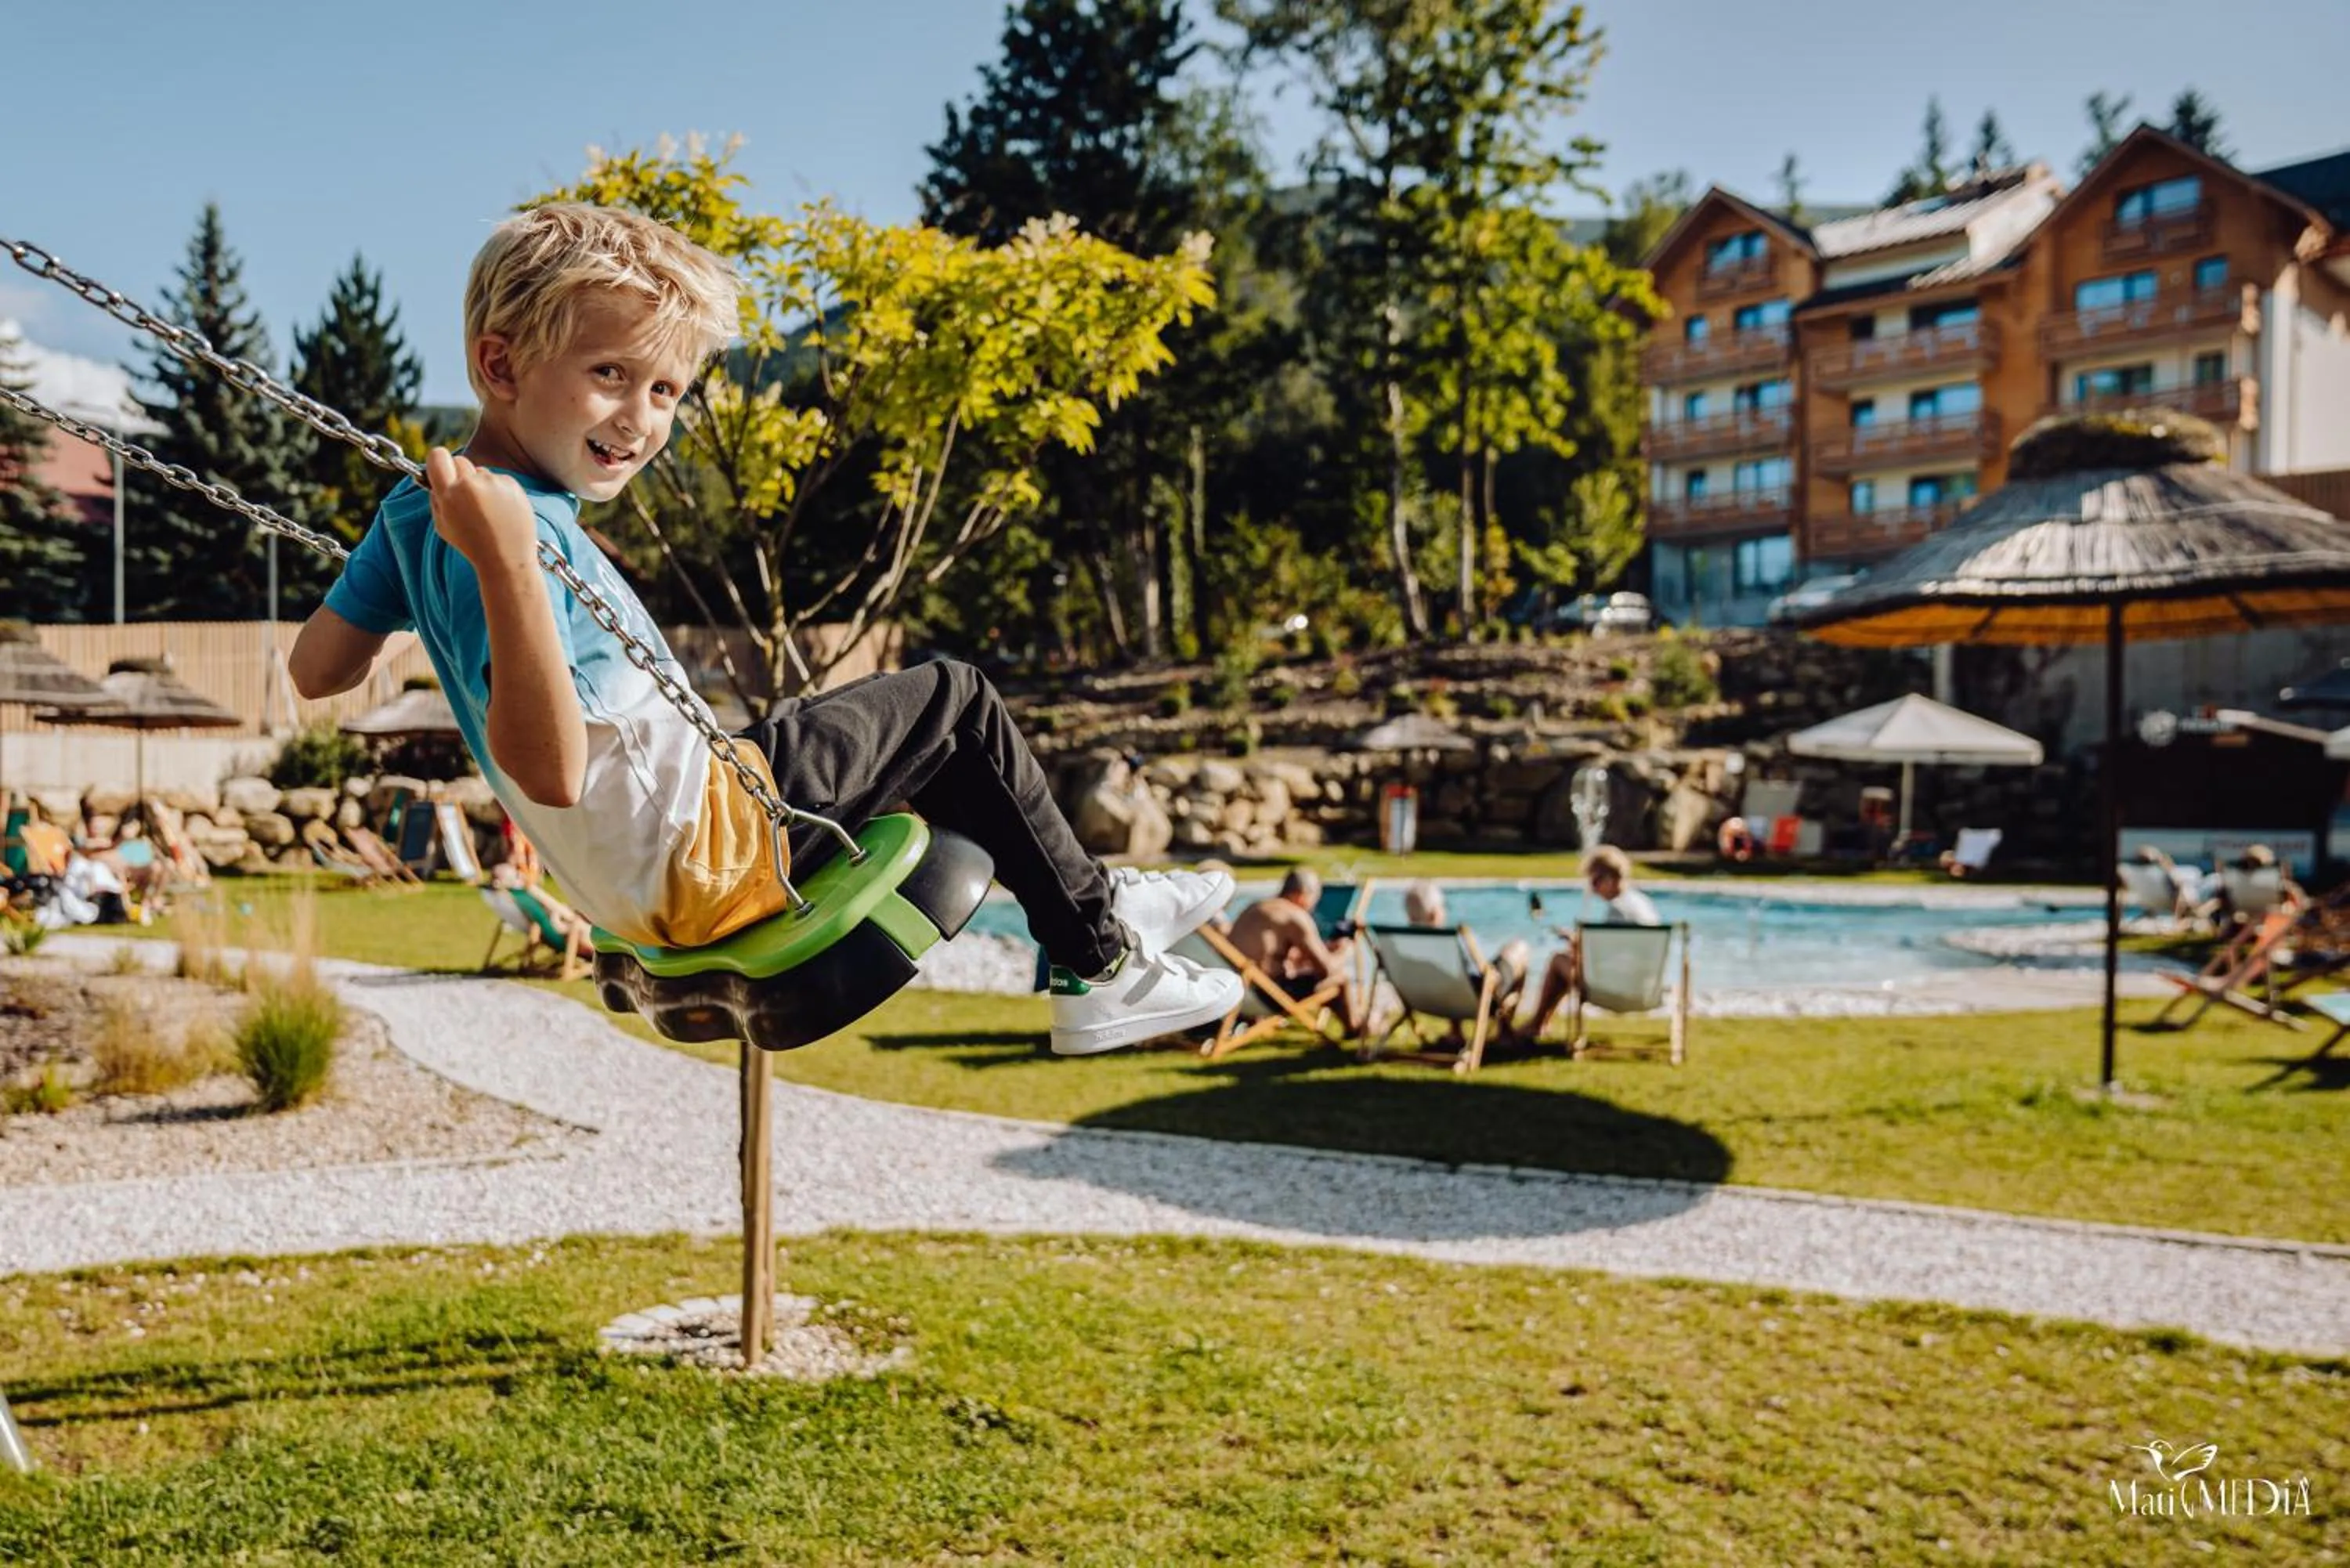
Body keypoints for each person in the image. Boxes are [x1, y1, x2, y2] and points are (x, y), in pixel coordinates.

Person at [287, 204, 1237, 1056]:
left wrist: (430, 559)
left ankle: (1092, 905)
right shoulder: (517, 533)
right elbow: (550, 772)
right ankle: (1103, 964)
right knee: (956, 700)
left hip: (661, 855)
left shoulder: (422, 508)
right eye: (611, 374)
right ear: (500, 365)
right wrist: (502, 565)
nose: (640, 420)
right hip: (703, 849)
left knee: (915, 745)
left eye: (665, 391)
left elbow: (318, 667)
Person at [1520, 846, 1660, 1042]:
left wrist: (1577, 946)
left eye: (1595, 881)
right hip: (1645, 988)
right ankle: (1539, 1024)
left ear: (1610, 879)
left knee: (1558, 961)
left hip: (1617, 989)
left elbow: (1601, 959)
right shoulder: (1641, 902)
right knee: (1567, 961)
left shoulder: (1618, 909)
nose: (1592, 889)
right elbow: (1620, 952)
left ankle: (1537, 1024)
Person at [1224, 868, 1363, 1033]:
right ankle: (1355, 1028)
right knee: (1340, 979)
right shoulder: (1295, 915)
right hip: (1268, 997)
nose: (1312, 907)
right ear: (1302, 895)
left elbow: (1268, 956)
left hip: (1238, 994)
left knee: (1310, 977)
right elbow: (1326, 970)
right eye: (1314, 899)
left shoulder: (1255, 908)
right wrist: (1344, 950)